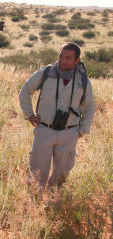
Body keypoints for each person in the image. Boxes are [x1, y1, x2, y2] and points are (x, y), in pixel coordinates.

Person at [19, 42, 95, 200]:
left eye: (68, 58)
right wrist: (29, 114)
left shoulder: (83, 80)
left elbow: (89, 107)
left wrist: (81, 131)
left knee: (62, 174)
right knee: (37, 174)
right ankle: (33, 209)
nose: (63, 60)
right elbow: (25, 90)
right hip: (44, 131)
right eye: (61, 55)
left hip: (69, 133)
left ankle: (52, 203)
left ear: (77, 60)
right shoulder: (46, 73)